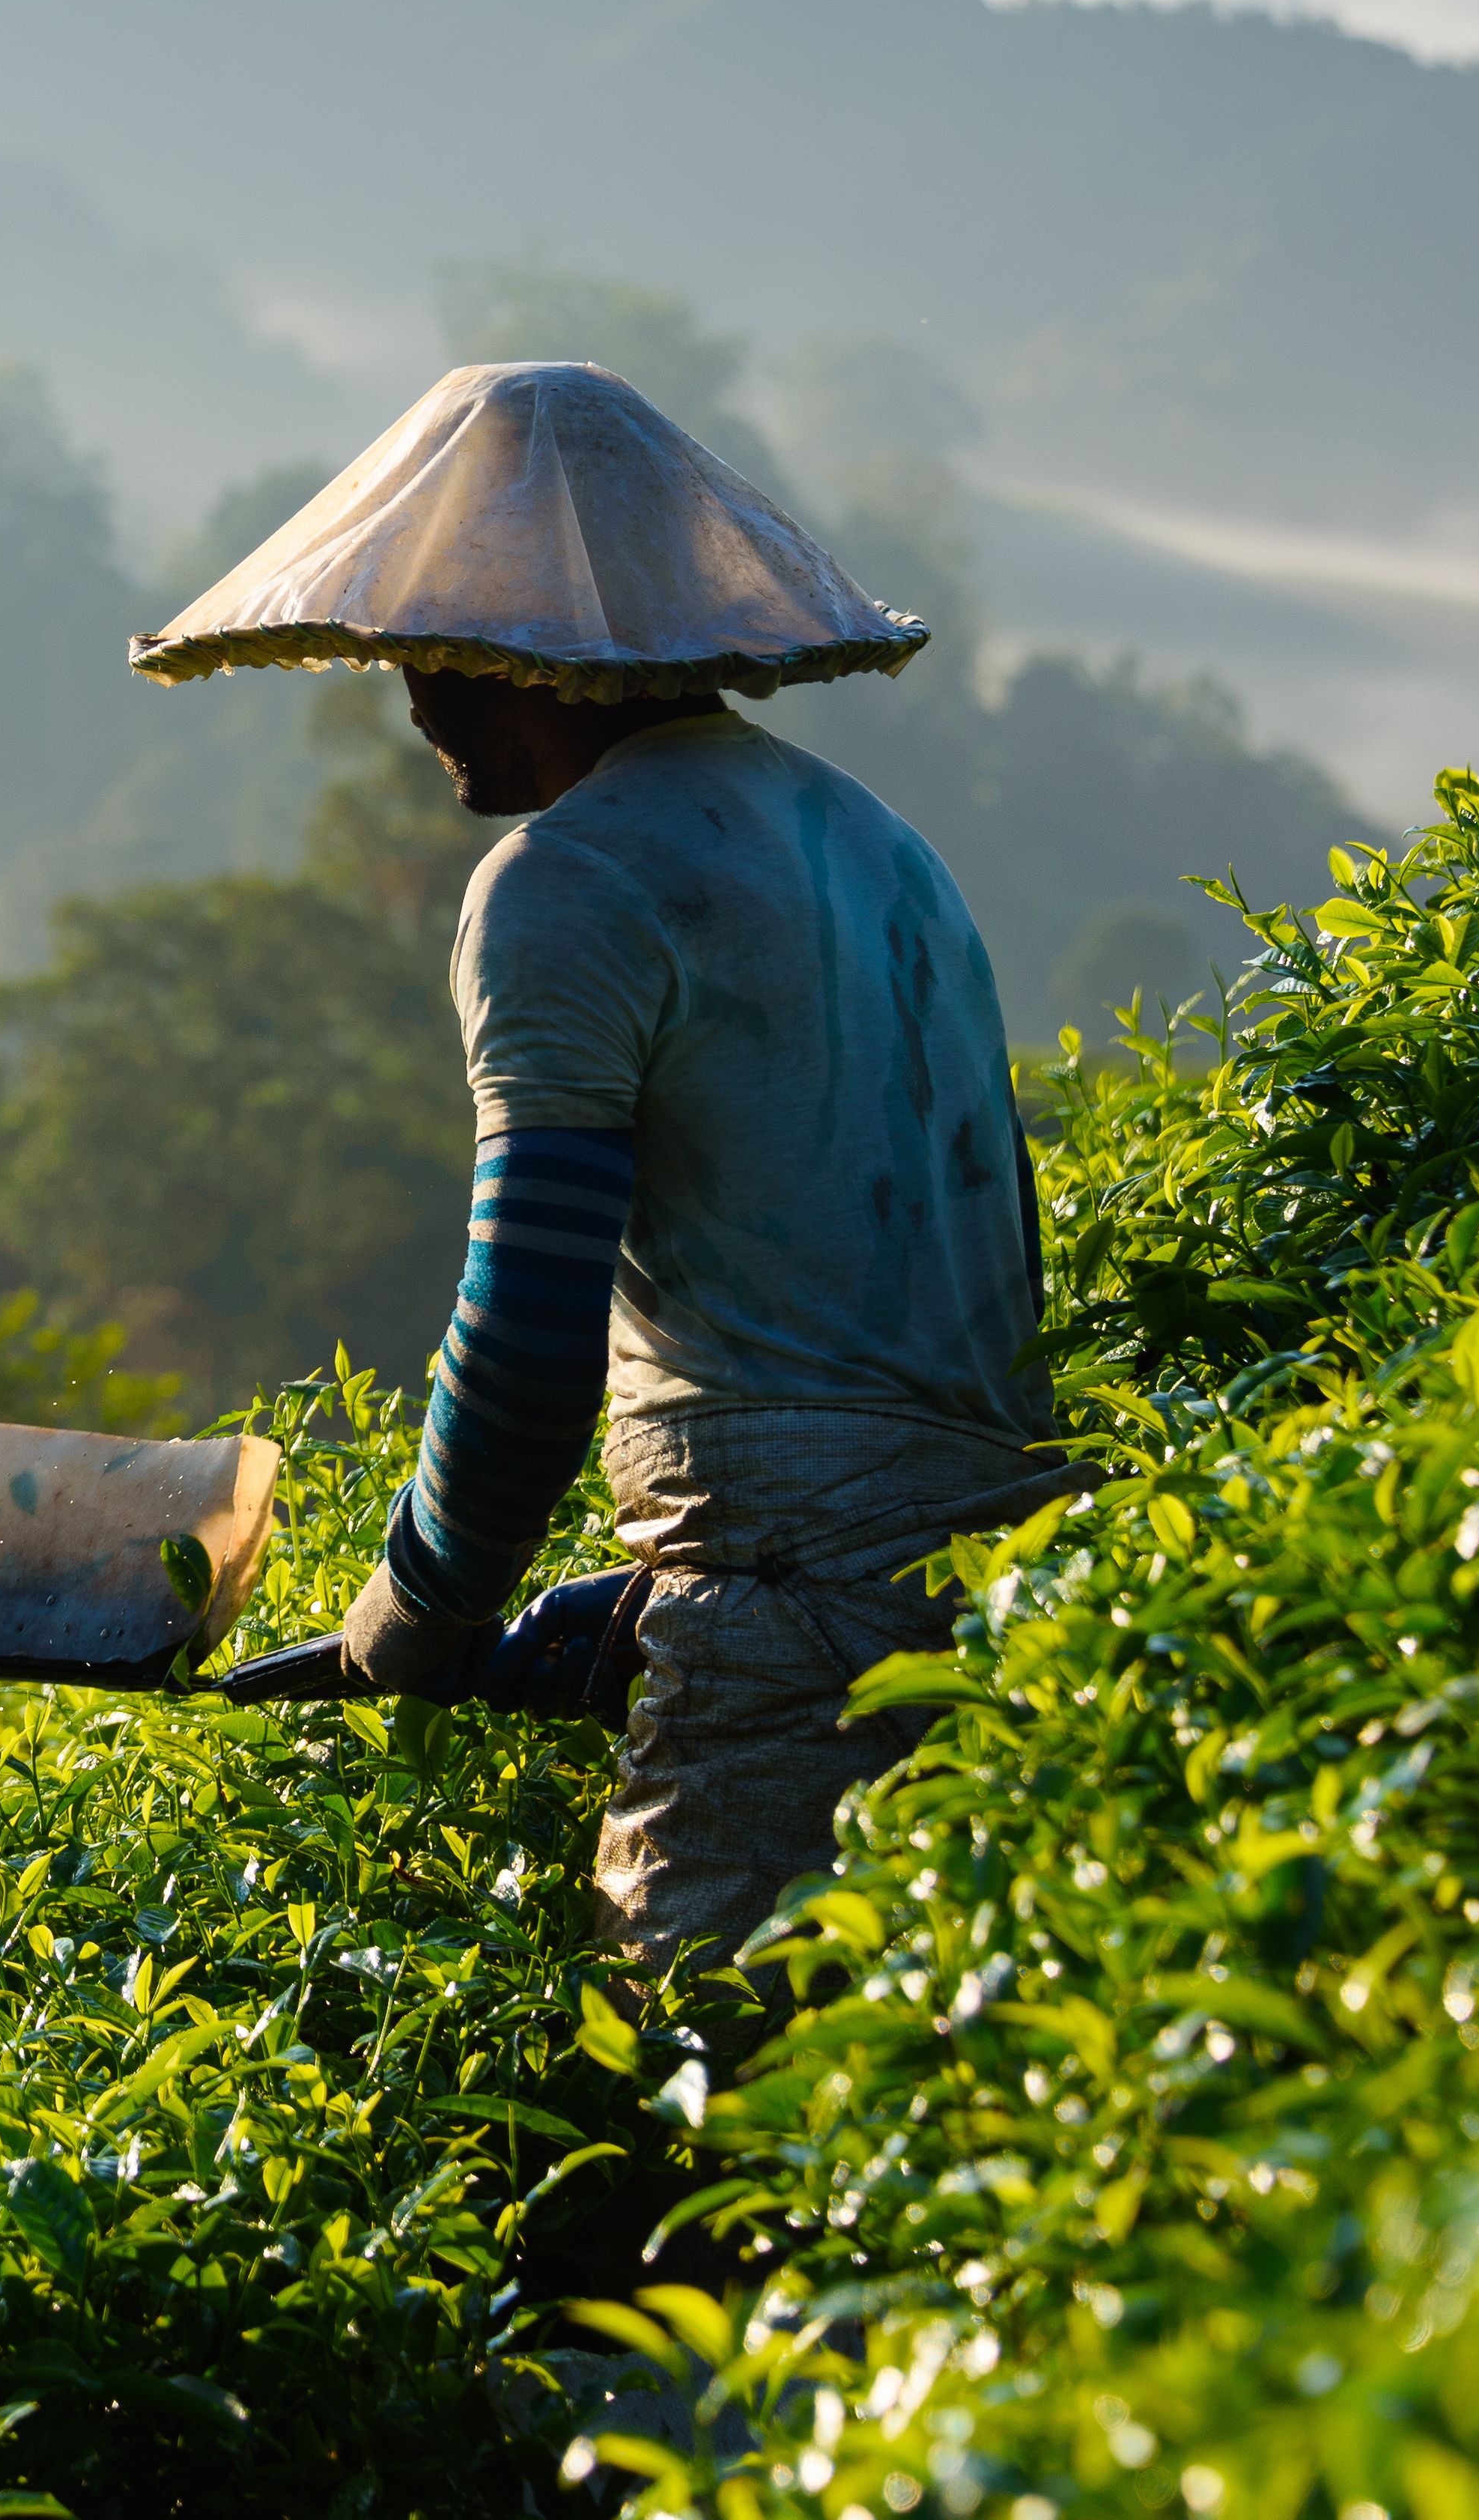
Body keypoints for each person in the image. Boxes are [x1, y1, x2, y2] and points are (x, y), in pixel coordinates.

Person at [135, 360, 1064, 2002]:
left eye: (450, 645)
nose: (417, 697)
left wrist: (408, 1611)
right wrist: (629, 1594)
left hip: (790, 1626)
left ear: (556, 652)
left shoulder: (564, 883)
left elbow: (531, 1324)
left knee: (704, 2100)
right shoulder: (876, 845)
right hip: (1007, 1585)